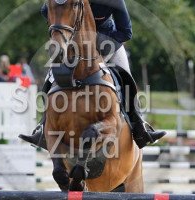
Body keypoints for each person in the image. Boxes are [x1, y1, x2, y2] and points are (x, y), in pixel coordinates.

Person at [20, 0, 166, 149]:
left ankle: (140, 127)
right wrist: (61, 30)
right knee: (51, 76)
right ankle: (42, 127)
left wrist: (95, 42)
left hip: (108, 41)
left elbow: (126, 32)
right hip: (73, 42)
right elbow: (47, 9)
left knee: (126, 76)